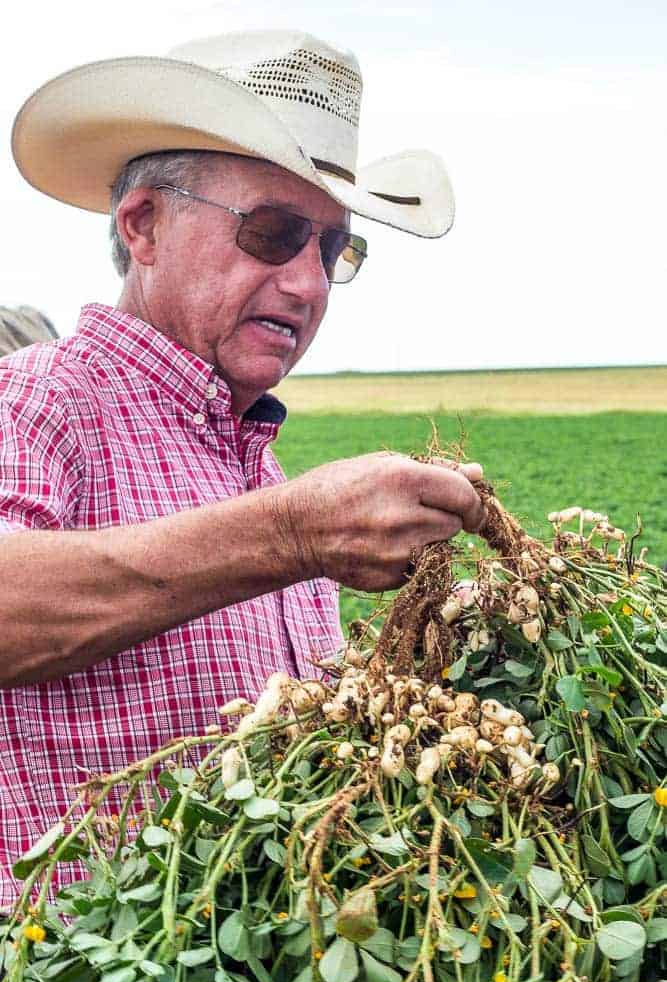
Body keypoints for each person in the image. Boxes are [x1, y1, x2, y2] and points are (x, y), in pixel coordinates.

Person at [0, 30, 483, 905]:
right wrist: (295, 533)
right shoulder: (36, 399)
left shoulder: (258, 471)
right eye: (272, 232)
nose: (307, 284)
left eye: (333, 250)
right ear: (144, 224)